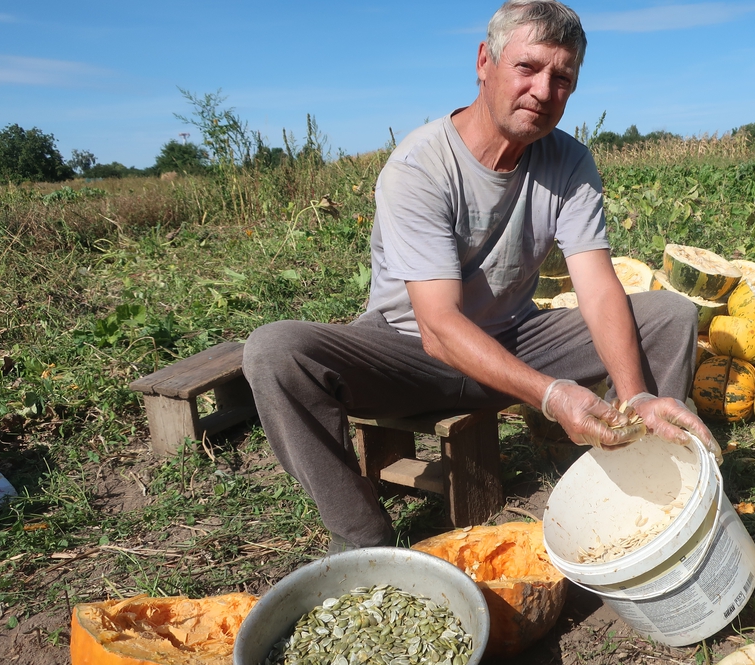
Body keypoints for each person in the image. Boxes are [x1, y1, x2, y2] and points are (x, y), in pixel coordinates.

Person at [242, 0, 720, 553]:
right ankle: (361, 541)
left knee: (670, 315)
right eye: (528, 67)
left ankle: (640, 481)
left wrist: (633, 394)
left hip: (516, 340)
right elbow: (438, 327)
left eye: (562, 78)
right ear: (484, 62)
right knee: (275, 351)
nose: (544, 91)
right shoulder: (420, 165)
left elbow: (596, 284)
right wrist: (552, 396)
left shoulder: (568, 162)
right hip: (409, 352)